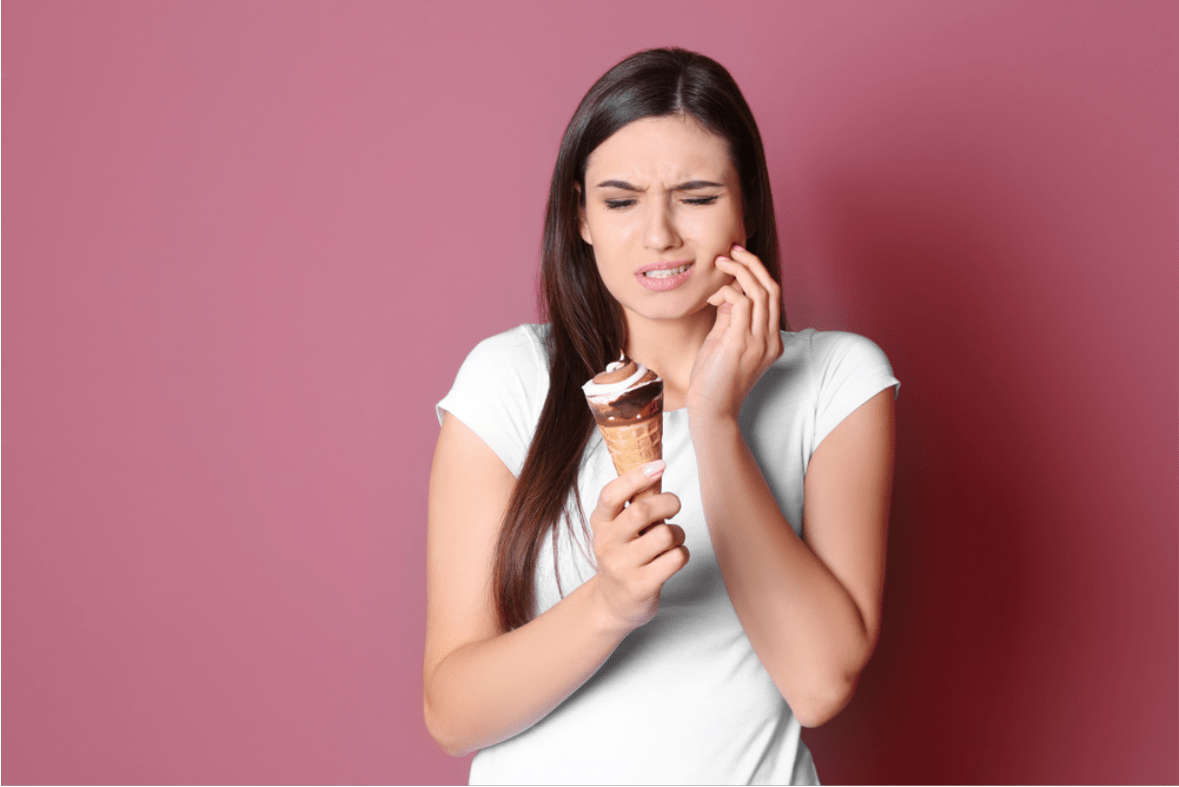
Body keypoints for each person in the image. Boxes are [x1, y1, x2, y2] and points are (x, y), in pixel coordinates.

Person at [425, 47, 899, 785]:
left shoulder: (834, 381)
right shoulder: (510, 380)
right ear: (579, 216)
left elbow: (817, 682)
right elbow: (452, 713)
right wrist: (608, 603)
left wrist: (715, 423)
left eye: (697, 196)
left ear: (746, 206)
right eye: (620, 201)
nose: (658, 236)